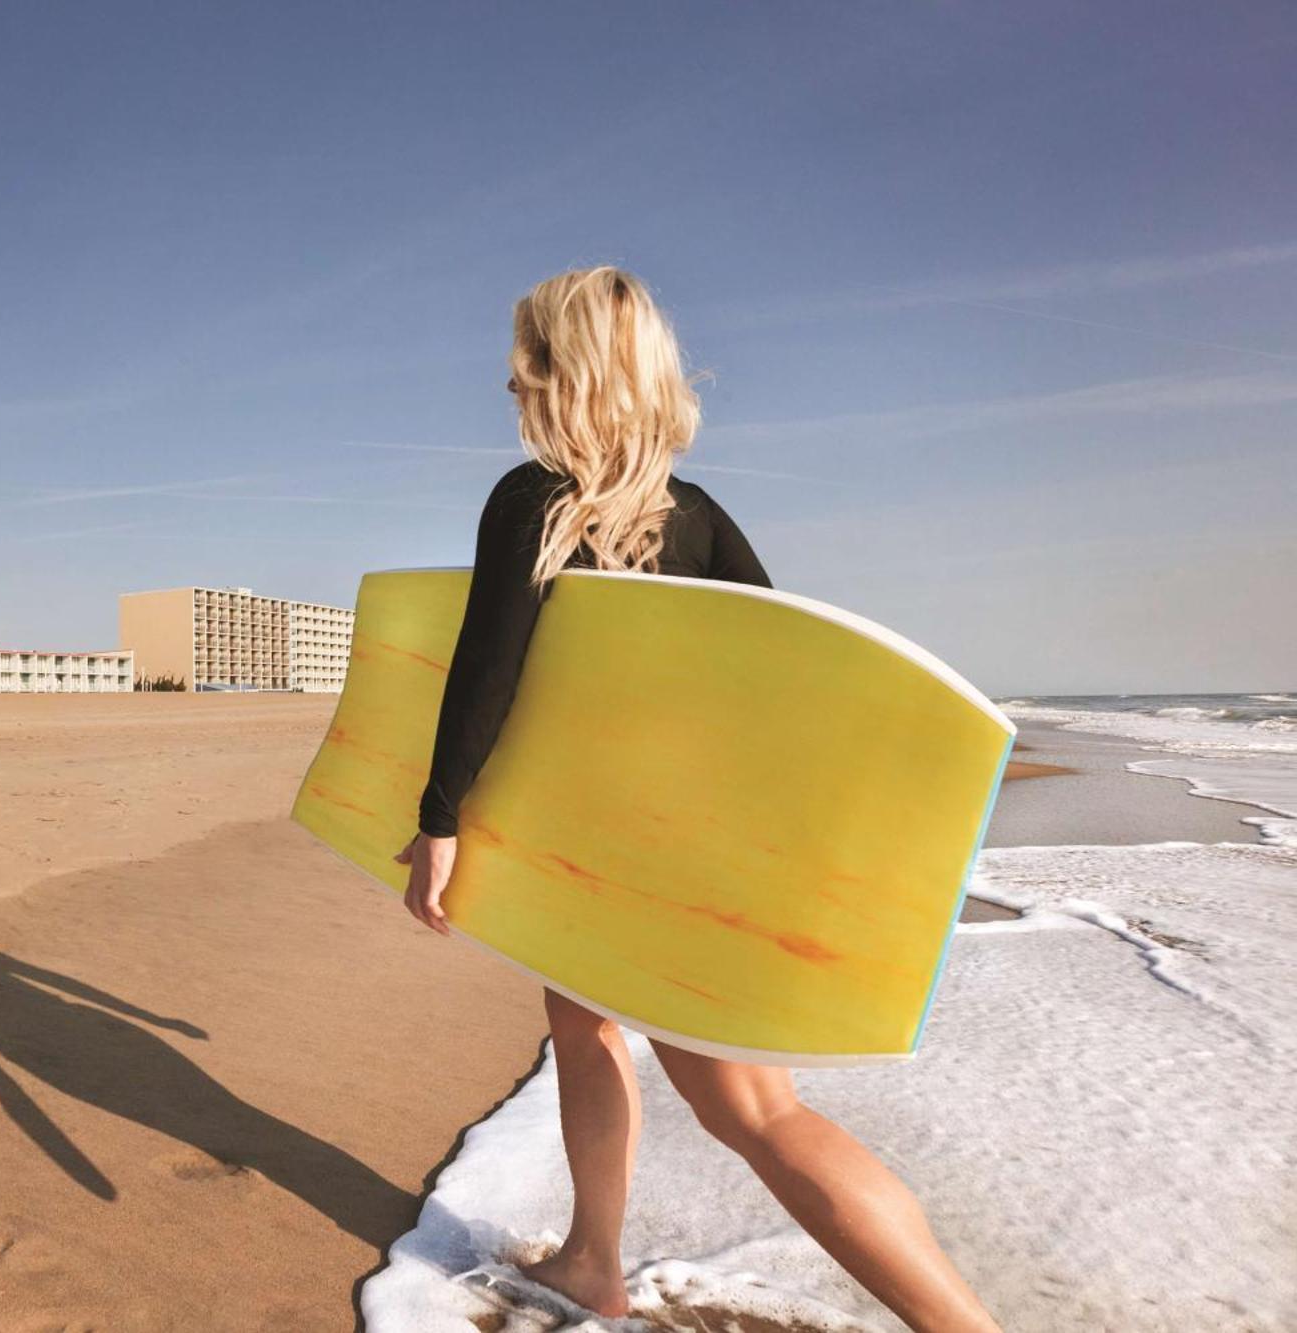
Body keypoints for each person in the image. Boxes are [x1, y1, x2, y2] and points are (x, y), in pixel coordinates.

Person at [393, 267, 1000, 1332]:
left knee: (757, 1111)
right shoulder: (702, 519)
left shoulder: (529, 503)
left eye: (525, 356)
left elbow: (484, 674)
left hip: (617, 855)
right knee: (579, 1027)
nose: (508, 377)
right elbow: (780, 687)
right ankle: (591, 1260)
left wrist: (437, 818)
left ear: (563, 374)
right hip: (678, 845)